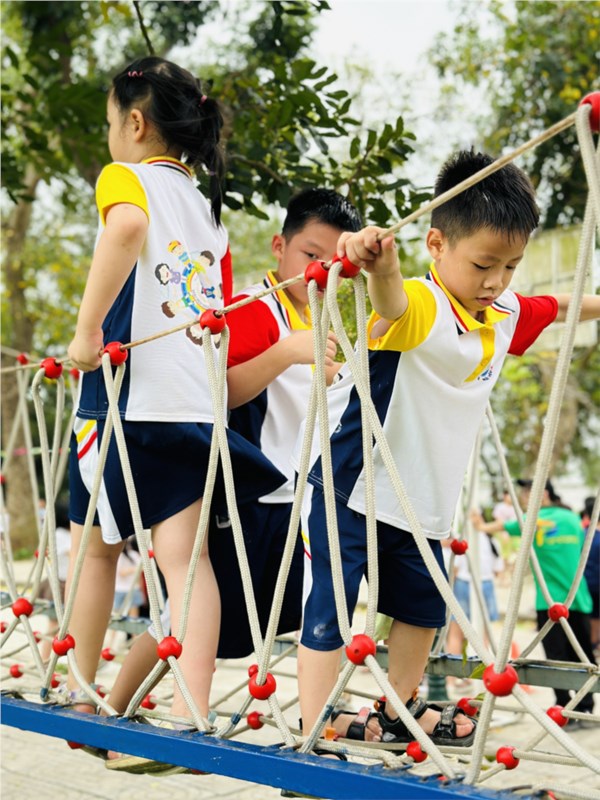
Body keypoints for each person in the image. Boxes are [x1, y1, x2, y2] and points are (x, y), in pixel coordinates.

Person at [294, 149, 600, 749]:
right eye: (484, 263)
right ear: (436, 244)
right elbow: (391, 301)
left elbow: (560, 307)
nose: (496, 281)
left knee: (421, 612)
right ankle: (311, 735)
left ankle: (397, 710)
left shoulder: (501, 311)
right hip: (354, 484)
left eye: (510, 266)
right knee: (331, 608)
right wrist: (382, 263)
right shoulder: (422, 302)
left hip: (424, 501)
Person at [65, 56, 283, 740]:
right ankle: (191, 708)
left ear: (135, 123)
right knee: (187, 562)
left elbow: (126, 228)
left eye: (110, 122)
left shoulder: (125, 177)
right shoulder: (209, 213)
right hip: (193, 408)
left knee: (94, 550)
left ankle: (77, 690)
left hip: (123, 402)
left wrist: (86, 332)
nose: (111, 136)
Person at [209, 188, 362, 656]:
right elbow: (222, 392)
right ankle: (119, 696)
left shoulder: (317, 316)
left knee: (299, 621)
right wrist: (285, 353)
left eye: (335, 266)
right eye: (310, 255)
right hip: (250, 500)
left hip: (298, 499)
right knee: (205, 627)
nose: (320, 272)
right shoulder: (254, 309)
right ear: (279, 246)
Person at [472, 479, 596, 718]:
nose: (523, 500)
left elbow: (496, 527)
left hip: (549, 603)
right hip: (579, 599)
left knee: (555, 659)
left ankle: (564, 707)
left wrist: (478, 523)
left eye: (526, 494)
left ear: (543, 493)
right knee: (583, 656)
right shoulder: (572, 518)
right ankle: (586, 706)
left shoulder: (532, 520)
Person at [443, 530, 503, 693]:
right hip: (486, 584)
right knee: (482, 636)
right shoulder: (491, 540)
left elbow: (454, 567)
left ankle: (451, 680)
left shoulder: (464, 538)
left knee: (455, 634)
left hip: (463, 583)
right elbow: (498, 569)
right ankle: (481, 678)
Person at [38, 502, 71, 663]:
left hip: (68, 583)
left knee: (65, 625)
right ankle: (45, 660)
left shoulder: (69, 534)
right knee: (53, 625)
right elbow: (74, 553)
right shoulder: (60, 534)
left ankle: (52, 660)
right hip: (59, 584)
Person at [581, 496, 600, 658]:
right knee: (596, 617)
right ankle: (595, 644)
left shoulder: (583, 534)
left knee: (592, 616)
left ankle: (593, 645)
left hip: (585, 582)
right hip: (596, 582)